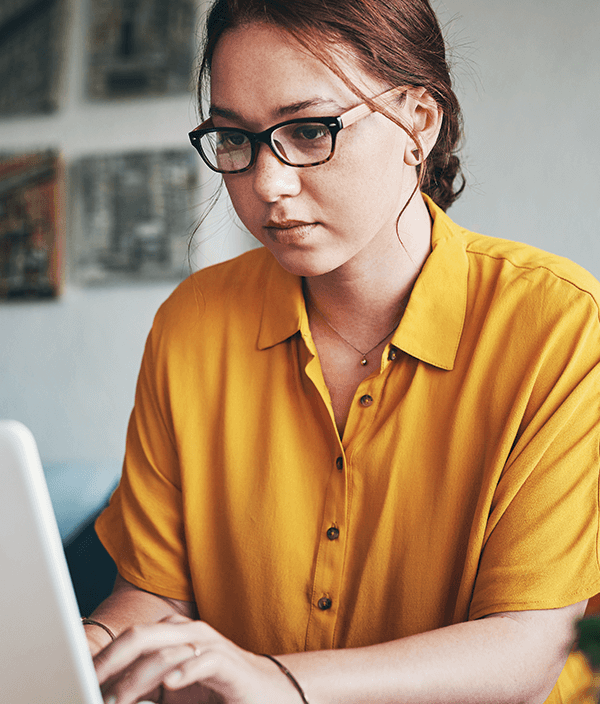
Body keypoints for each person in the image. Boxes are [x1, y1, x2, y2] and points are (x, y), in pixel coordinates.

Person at [84, 1, 600, 702]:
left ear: (420, 122)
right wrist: (89, 645)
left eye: (308, 130)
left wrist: (280, 684)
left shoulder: (558, 323)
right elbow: (152, 597)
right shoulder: (190, 325)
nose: (267, 183)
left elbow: (528, 649)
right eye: (234, 138)